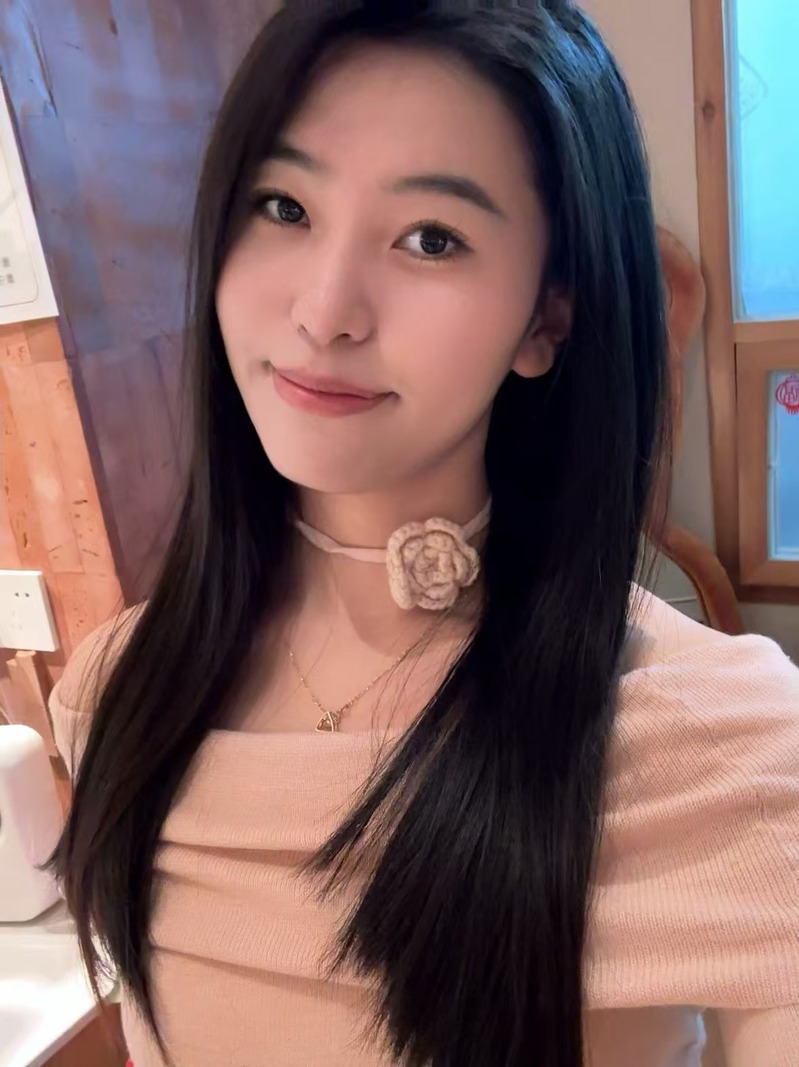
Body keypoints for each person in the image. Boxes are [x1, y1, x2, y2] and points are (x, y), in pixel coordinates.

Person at [47, 2, 798, 1065]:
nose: (324, 312)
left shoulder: (718, 743)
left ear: (546, 318)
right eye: (283, 205)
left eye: (430, 237)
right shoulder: (114, 693)